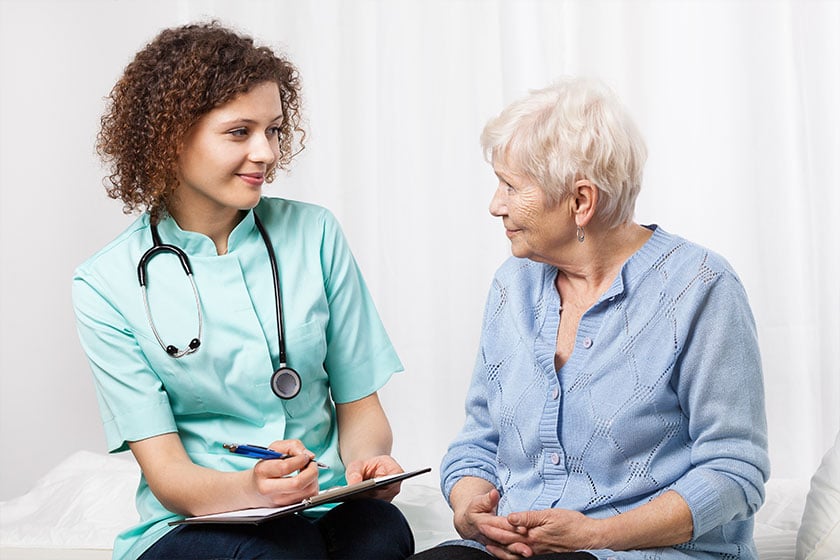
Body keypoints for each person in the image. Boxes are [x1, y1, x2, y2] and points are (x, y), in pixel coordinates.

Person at [73, 22, 413, 560]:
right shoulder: (106, 283)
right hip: (197, 520)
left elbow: (359, 408)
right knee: (279, 553)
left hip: (321, 502)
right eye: (240, 132)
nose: (267, 153)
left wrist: (368, 464)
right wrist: (253, 489)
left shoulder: (315, 234)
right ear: (171, 138)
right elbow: (169, 476)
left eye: (274, 130)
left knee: (382, 535)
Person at [411, 77, 770, 560]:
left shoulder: (701, 287)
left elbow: (734, 472)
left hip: (643, 552)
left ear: (581, 201)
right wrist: (471, 507)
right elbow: (479, 441)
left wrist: (597, 535)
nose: (495, 205)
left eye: (512, 187)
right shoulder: (511, 285)